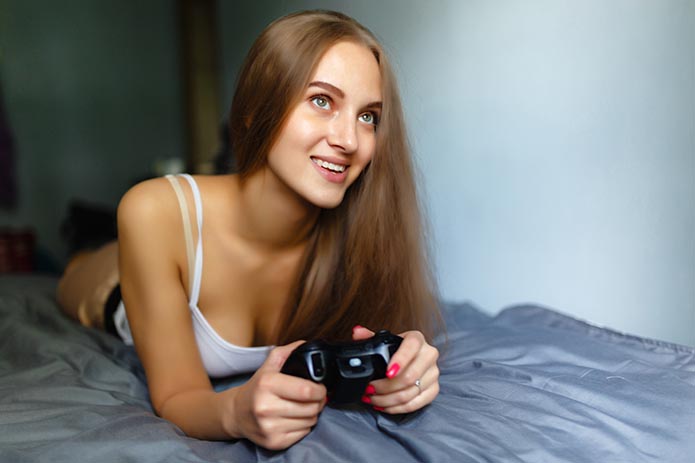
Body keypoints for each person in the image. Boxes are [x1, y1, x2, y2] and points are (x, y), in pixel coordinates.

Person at [57, 10, 442, 450]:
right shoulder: (153, 211)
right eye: (322, 101)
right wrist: (235, 411)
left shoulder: (365, 232)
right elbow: (178, 395)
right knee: (83, 261)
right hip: (106, 286)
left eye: (368, 116)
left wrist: (409, 364)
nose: (350, 141)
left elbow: (383, 347)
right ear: (254, 110)